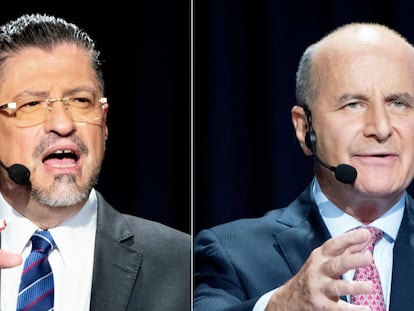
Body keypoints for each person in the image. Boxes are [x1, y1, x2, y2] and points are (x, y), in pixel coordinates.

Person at [194, 22, 414, 311]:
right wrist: (280, 306)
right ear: (304, 127)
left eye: (398, 103)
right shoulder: (231, 253)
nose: (381, 128)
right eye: (353, 104)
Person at [0, 13, 190, 311]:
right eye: (32, 105)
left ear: (104, 124)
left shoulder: (183, 265)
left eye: (80, 101)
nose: (63, 124)